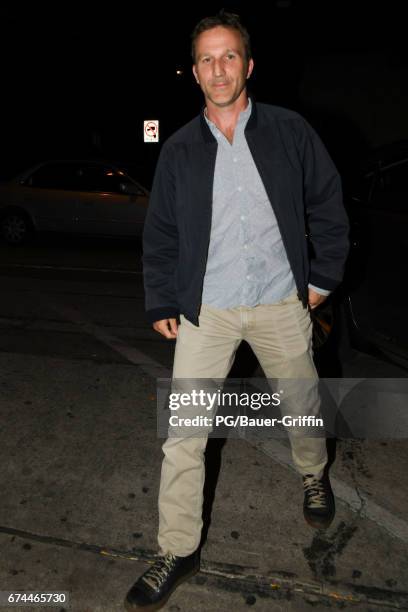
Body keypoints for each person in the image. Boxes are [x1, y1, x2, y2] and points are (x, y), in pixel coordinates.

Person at [124, 10, 349, 611]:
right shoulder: (177, 150)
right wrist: (163, 298)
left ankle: (312, 471)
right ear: (194, 73)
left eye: (228, 57)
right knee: (183, 435)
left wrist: (324, 275)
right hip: (208, 310)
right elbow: (162, 234)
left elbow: (328, 200)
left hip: (280, 298)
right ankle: (177, 546)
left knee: (301, 400)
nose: (218, 69)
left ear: (248, 66)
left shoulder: (289, 130)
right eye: (206, 59)